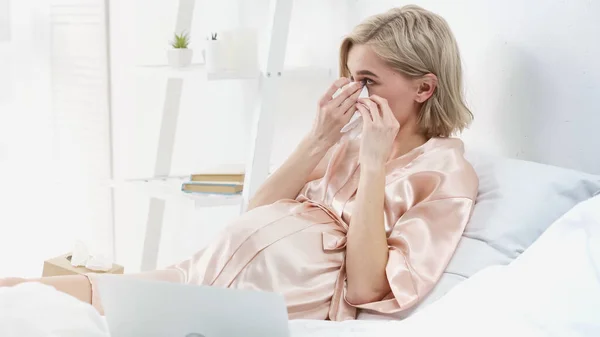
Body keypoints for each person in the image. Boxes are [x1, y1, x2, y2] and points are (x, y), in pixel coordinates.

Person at [0, 5, 478, 320]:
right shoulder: (350, 140)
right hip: (204, 271)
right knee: (27, 290)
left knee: (62, 310)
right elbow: (259, 210)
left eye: (368, 81)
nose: (355, 94)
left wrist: (375, 167)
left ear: (424, 88)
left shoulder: (445, 172)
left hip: (256, 303)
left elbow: (370, 288)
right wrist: (320, 138)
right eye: (350, 78)